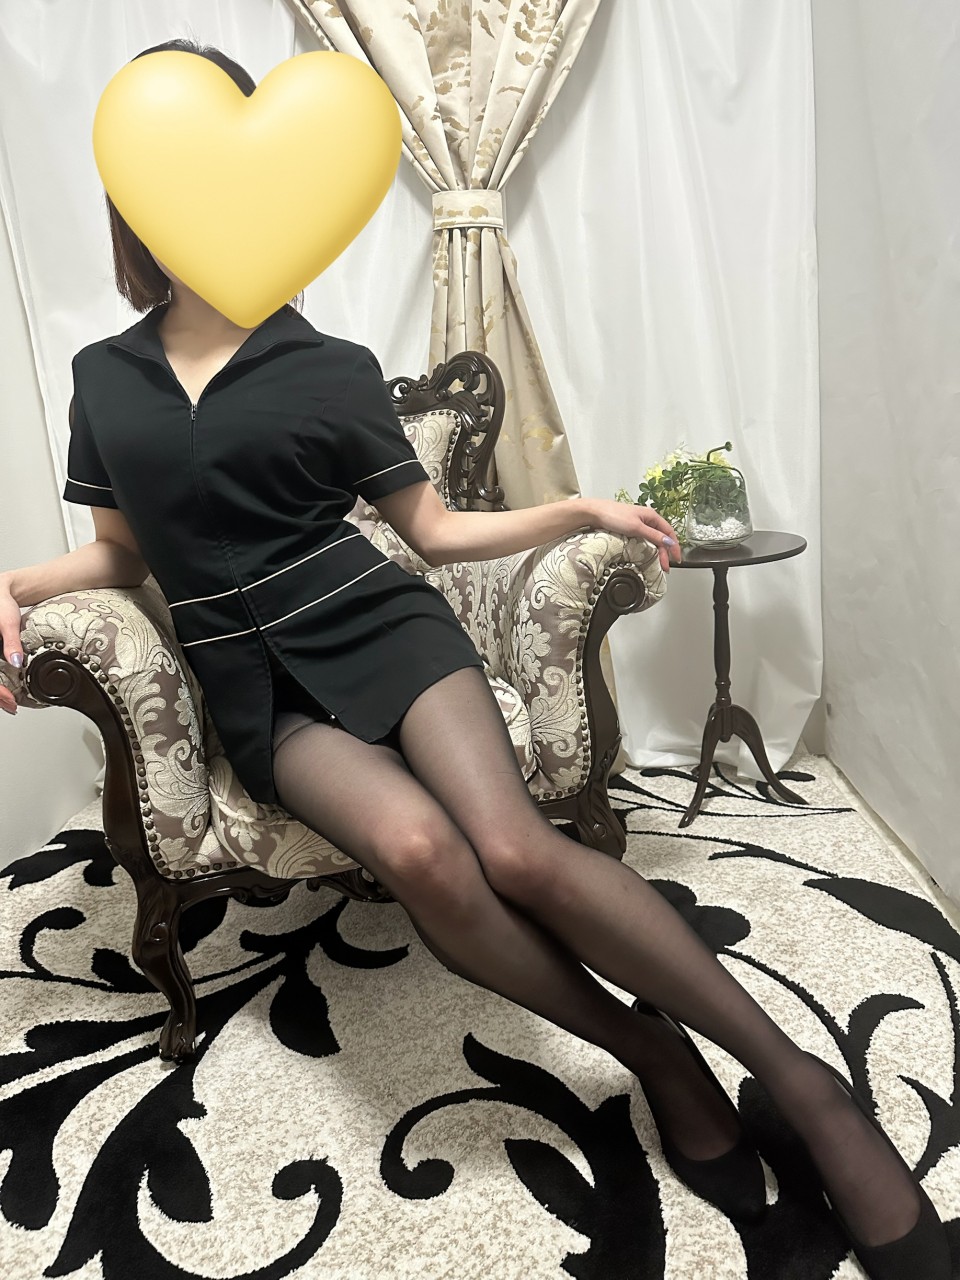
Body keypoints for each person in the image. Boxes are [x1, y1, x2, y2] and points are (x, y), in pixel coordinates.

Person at [0, 40, 949, 1280]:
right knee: (418, 853)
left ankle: (800, 1081)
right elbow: (123, 552)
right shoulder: (103, 377)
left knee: (515, 847)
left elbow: (435, 531)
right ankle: (653, 1051)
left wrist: (581, 508)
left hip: (382, 625)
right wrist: (19, 584)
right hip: (257, 688)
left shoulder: (328, 368)